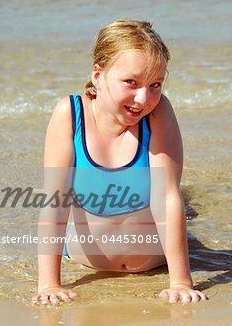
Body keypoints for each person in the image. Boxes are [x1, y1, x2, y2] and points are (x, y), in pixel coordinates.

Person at [32, 19, 206, 305]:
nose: (143, 97)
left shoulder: (157, 113)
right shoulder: (71, 114)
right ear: (98, 75)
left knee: (180, 203)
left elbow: (167, 197)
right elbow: (56, 200)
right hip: (86, 262)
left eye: (155, 84)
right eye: (131, 82)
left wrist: (180, 282)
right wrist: (49, 283)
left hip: (154, 264)